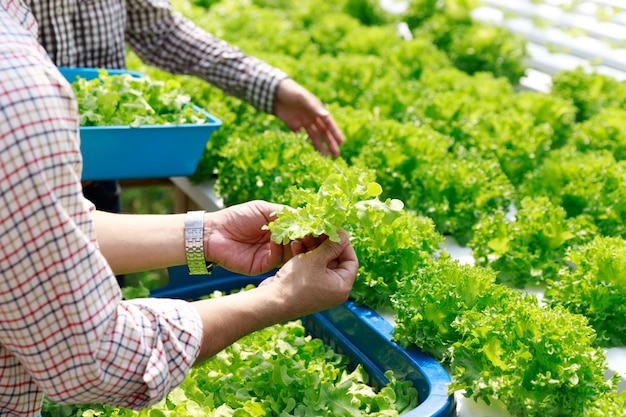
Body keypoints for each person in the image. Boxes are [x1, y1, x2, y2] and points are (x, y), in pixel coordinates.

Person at [0, 3, 359, 417]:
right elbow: (96, 359)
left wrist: (206, 234)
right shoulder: (18, 88)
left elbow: (34, 236)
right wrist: (278, 298)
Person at [24, 0, 345, 214]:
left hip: (104, 165)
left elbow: (163, 33)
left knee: (104, 296)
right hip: (23, 171)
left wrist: (273, 88)